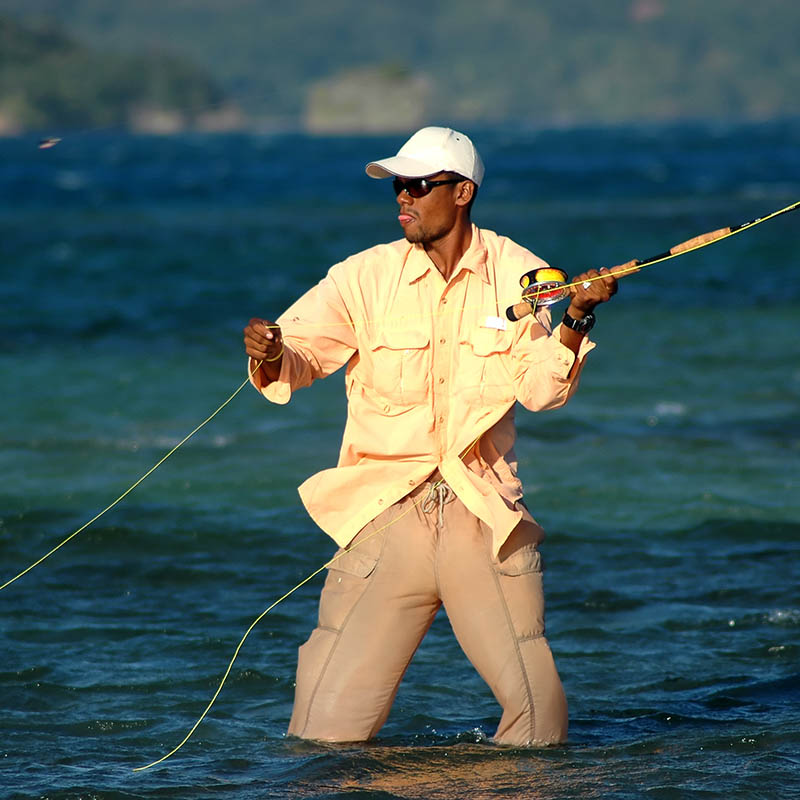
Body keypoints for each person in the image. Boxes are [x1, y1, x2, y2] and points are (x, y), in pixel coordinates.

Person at [243, 126, 617, 745]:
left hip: (482, 520)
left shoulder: (522, 275)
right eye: (398, 185)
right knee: (321, 735)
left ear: (463, 191)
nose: (403, 198)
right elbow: (298, 358)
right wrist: (269, 351)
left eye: (418, 184)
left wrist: (577, 317)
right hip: (385, 519)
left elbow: (541, 391)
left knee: (536, 719)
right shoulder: (361, 276)